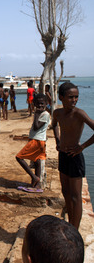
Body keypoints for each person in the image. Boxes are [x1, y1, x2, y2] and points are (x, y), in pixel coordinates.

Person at [52, 81, 94, 229]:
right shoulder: (58, 113)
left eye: (76, 97)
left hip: (75, 157)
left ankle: (74, 231)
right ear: (61, 97)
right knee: (66, 193)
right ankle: (70, 225)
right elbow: (54, 125)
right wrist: (58, 141)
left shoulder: (79, 114)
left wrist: (82, 147)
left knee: (76, 197)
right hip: (63, 156)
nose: (74, 100)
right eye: (70, 97)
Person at [16, 94, 50, 192]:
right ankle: (37, 185)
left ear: (46, 104)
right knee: (37, 161)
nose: (40, 106)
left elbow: (36, 126)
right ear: (34, 104)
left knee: (19, 157)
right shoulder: (42, 113)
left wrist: (36, 114)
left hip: (37, 140)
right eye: (38, 104)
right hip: (38, 140)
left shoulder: (45, 114)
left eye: (42, 104)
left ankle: (34, 177)